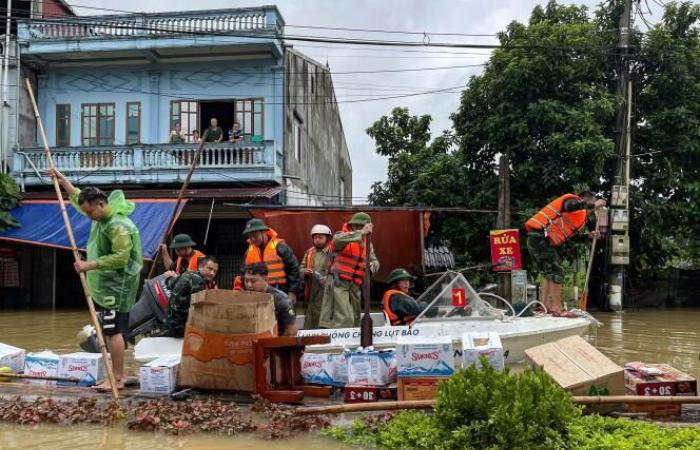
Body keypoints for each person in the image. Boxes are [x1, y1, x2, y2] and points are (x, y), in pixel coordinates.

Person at [50, 168, 142, 392]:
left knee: (113, 331)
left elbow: (121, 258)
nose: (88, 216)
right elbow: (77, 196)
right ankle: (119, 374)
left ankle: (117, 377)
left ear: (101, 205)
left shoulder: (117, 225)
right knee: (111, 330)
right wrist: (63, 181)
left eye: (90, 212)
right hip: (107, 283)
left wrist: (87, 265)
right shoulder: (100, 216)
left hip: (117, 285)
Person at [525, 191, 606, 316]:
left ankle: (544, 306)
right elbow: (570, 206)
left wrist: (587, 236)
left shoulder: (577, 217)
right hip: (540, 236)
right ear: (585, 200)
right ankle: (557, 309)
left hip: (539, 239)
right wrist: (594, 204)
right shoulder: (572, 201)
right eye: (591, 203)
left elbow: (570, 236)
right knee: (556, 272)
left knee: (549, 273)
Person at [318, 212, 380, 329]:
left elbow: (375, 261)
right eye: (355, 225)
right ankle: (340, 343)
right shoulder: (342, 236)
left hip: (354, 285)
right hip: (338, 282)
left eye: (361, 226)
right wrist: (361, 233)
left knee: (355, 317)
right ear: (351, 226)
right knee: (343, 317)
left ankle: (353, 342)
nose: (358, 228)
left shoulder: (368, 244)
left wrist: (372, 267)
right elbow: (336, 240)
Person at [241, 218, 301, 303]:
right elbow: (243, 273)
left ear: (264, 232)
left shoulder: (280, 247)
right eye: (250, 237)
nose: (253, 239)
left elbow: (294, 268)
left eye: (255, 235)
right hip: (257, 293)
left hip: (281, 290)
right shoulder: (249, 252)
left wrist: (293, 292)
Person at [165, 256, 219, 338]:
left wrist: (170, 277)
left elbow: (171, 283)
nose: (212, 273)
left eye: (215, 271)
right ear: (200, 266)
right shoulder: (198, 282)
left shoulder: (188, 274)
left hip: (169, 323)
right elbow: (200, 311)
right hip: (180, 328)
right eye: (210, 269)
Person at [243, 263, 297, 336]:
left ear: (265, 279)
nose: (249, 285)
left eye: (253, 281)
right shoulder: (243, 298)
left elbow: (292, 331)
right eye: (246, 281)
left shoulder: (281, 299)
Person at [300, 224, 332, 330]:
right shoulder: (309, 252)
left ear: (327, 238)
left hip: (327, 292)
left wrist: (328, 278)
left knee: (325, 318)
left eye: (320, 237)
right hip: (311, 291)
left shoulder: (333, 252)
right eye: (315, 237)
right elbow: (300, 268)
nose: (317, 240)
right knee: (311, 318)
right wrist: (304, 272)